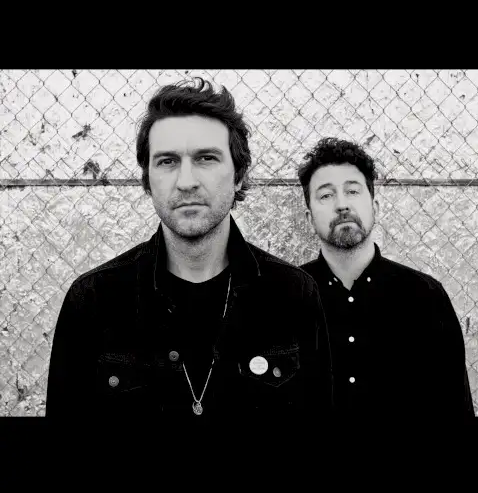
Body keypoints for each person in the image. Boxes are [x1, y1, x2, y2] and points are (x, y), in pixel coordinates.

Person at [46, 77, 333, 426]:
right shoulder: (94, 301)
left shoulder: (293, 295)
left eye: (206, 158)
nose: (186, 182)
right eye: (167, 161)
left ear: (239, 175)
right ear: (147, 180)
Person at [298, 137, 474, 422]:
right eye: (326, 195)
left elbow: (455, 407)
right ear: (309, 218)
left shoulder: (425, 297)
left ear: (376, 208)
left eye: (352, 191)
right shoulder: (286, 296)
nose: (342, 204)